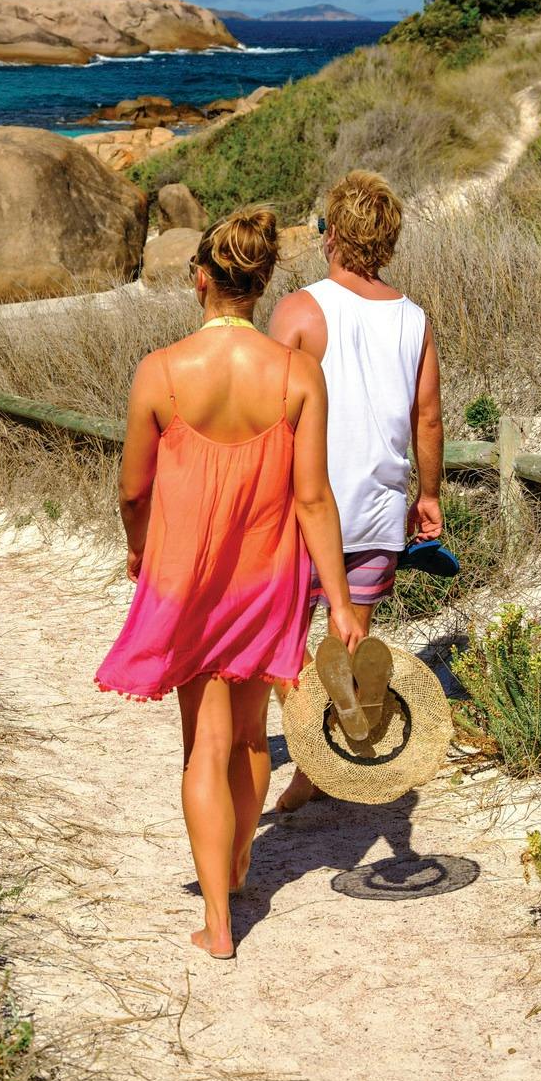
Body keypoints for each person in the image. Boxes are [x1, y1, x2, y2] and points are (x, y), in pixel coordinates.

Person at [96, 207, 367, 960]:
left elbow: (131, 490)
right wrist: (340, 601)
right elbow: (314, 498)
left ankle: (217, 916)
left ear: (200, 280)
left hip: (185, 577)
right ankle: (241, 862)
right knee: (250, 735)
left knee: (202, 743)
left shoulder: (160, 370)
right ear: (262, 283)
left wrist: (137, 548)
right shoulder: (295, 374)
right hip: (267, 577)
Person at [268, 169, 443, 813]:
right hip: (376, 508)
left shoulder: (300, 309)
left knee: (282, 647)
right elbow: (427, 415)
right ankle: (331, 751)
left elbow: (269, 411)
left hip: (298, 510)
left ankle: (310, 761)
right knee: (349, 642)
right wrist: (430, 494)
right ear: (389, 242)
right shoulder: (413, 318)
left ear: (332, 234)